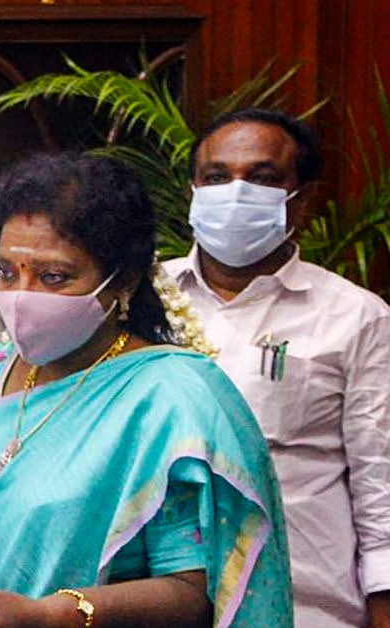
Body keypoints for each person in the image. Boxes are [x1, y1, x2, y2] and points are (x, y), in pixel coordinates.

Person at [0, 153, 292, 628]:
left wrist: (53, 615)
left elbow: (194, 592)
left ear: (122, 280)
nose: (22, 294)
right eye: (7, 272)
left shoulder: (170, 399)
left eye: (53, 277)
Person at [164, 108, 390, 627]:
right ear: (193, 192)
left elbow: (379, 483)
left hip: (303, 601)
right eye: (217, 177)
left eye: (262, 179)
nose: (234, 192)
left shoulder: (354, 317)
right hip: (162, 596)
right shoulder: (142, 297)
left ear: (301, 199)